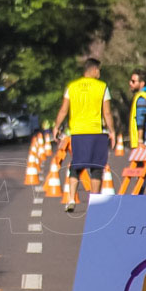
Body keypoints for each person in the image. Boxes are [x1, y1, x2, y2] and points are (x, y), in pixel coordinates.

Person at [52, 58, 116, 211]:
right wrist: (112, 131)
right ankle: (94, 203)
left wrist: (56, 127)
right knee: (96, 167)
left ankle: (71, 199)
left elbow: (63, 110)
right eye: (98, 70)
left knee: (76, 165)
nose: (99, 73)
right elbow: (107, 112)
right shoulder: (102, 87)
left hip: (78, 133)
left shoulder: (72, 87)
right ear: (93, 70)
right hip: (96, 132)